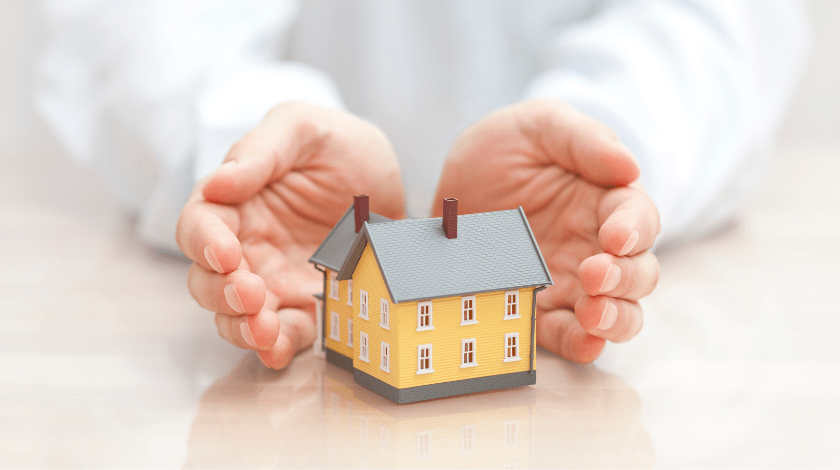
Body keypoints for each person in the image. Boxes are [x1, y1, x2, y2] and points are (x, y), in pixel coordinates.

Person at [37, 1, 809, 368]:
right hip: (300, 217)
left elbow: (726, 22)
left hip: (560, 230)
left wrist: (598, 144)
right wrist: (244, 143)